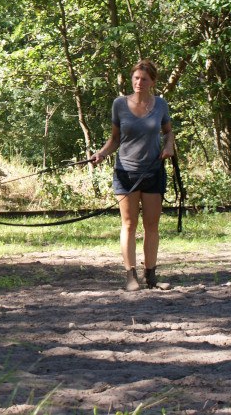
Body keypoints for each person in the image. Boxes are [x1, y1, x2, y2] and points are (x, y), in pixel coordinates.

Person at [91, 60, 175, 290]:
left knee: (152, 225)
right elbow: (115, 139)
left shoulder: (160, 104)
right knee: (129, 224)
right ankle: (130, 276)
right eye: (136, 78)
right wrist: (101, 154)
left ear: (153, 82)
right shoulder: (119, 104)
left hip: (153, 171)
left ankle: (151, 275)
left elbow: (168, 133)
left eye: (144, 79)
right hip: (126, 172)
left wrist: (169, 147)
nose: (139, 83)